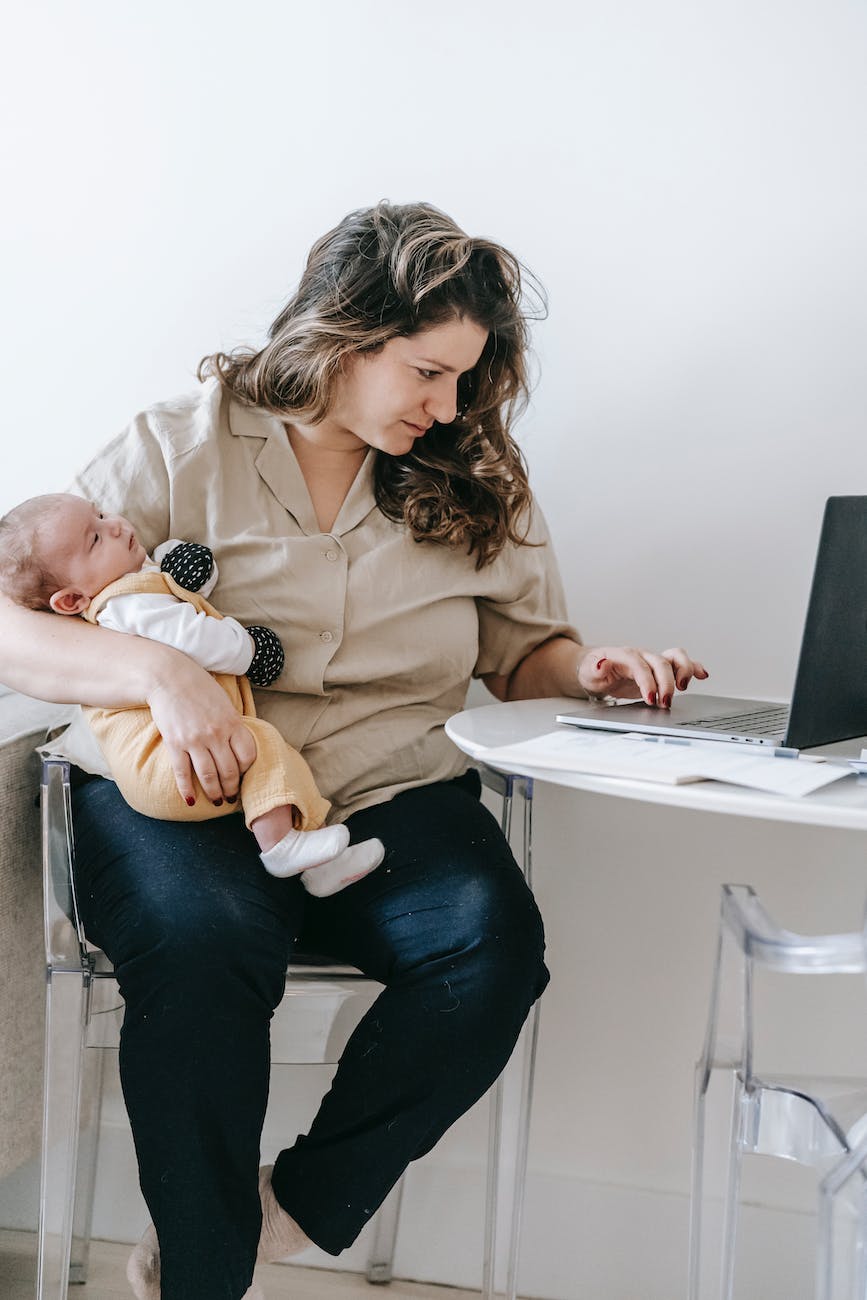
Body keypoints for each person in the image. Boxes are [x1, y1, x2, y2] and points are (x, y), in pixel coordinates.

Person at [0, 200, 708, 1300]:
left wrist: (591, 668)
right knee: (197, 942)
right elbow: (17, 618)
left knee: (492, 953)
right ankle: (202, 1274)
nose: (450, 403)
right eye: (428, 372)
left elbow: (524, 654)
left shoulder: (476, 473)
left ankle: (288, 1209)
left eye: (466, 377)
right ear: (342, 338)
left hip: (387, 793)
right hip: (191, 797)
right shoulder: (174, 445)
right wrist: (160, 673)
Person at [0, 494, 384, 894]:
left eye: (101, 513)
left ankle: (319, 867)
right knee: (263, 746)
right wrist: (246, 649)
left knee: (268, 757)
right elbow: (194, 637)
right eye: (94, 539)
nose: (113, 525)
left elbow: (178, 596)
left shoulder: (134, 588)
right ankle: (282, 846)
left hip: (170, 765)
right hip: (166, 765)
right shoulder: (125, 606)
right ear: (72, 600)